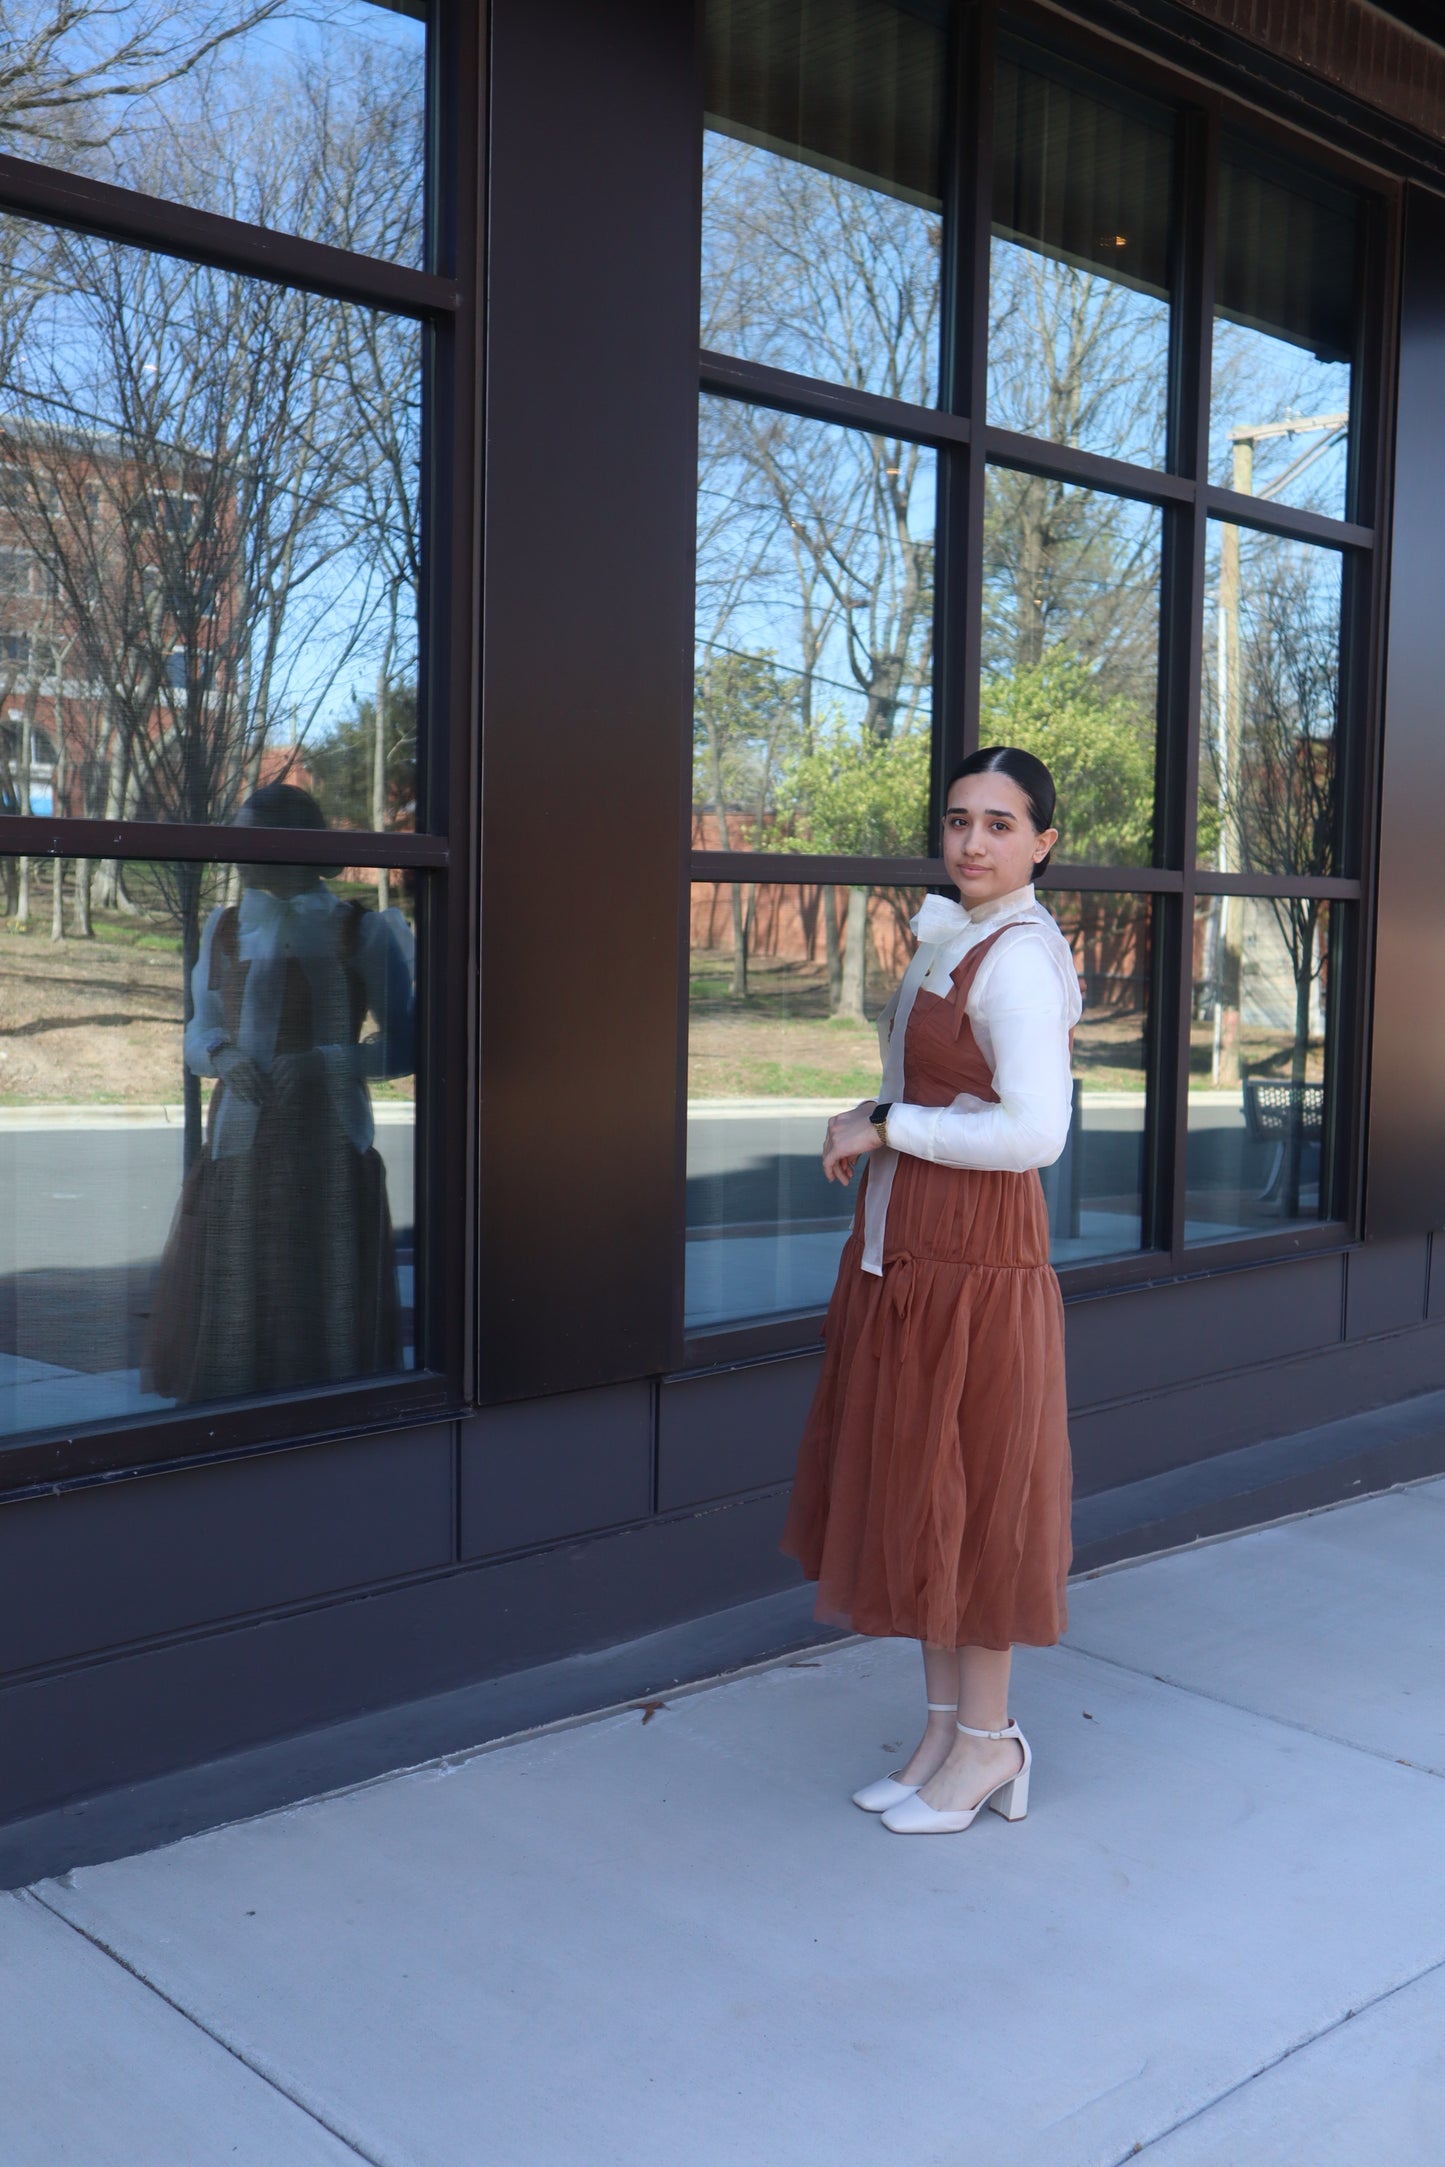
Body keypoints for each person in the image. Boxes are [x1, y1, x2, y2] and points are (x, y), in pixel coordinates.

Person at [782, 747, 1082, 1835]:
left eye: (1000, 824)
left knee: (973, 1501)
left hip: (973, 1264)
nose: (972, 842)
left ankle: (993, 1743)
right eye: (958, 820)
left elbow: (1033, 1133)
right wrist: (878, 1112)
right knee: (924, 1500)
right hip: (910, 1256)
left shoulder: (1014, 955)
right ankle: (945, 1735)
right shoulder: (955, 936)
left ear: (1041, 842)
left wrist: (886, 1125)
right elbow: (931, 1087)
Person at [145, 782, 415, 1404]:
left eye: (251, 838)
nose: (238, 853)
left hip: (329, 1147)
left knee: (318, 1284)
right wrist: (221, 1054)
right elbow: (200, 1027)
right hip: (241, 1143)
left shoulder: (364, 931)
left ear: (289, 846)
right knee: (245, 1282)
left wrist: (331, 1063)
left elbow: (409, 1042)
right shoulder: (225, 926)